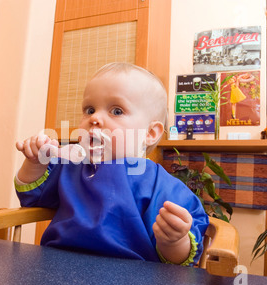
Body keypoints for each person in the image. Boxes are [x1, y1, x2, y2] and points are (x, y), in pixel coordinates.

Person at [14, 63, 209, 265]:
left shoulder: (160, 185)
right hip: (56, 266)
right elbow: (32, 197)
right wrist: (34, 162)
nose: (95, 118)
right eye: (89, 110)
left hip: (130, 279)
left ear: (149, 134)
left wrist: (174, 242)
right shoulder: (71, 166)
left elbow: (180, 260)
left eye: (116, 111)